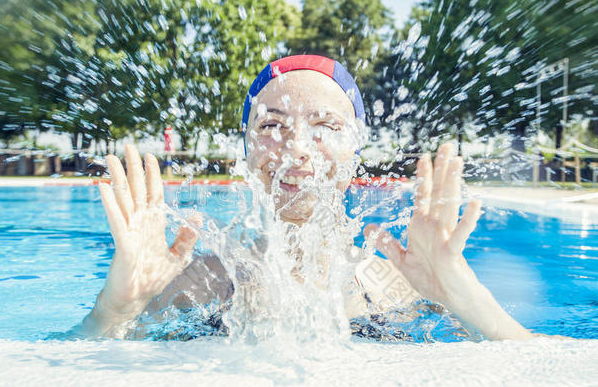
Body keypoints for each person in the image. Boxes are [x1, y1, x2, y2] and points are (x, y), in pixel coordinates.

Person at [80, 55, 533, 341]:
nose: (296, 146)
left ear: (354, 154)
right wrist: (116, 309)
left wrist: (463, 296)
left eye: (325, 127)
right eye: (272, 125)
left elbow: (550, 366)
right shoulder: (200, 283)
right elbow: (71, 362)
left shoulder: (399, 285)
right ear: (247, 150)